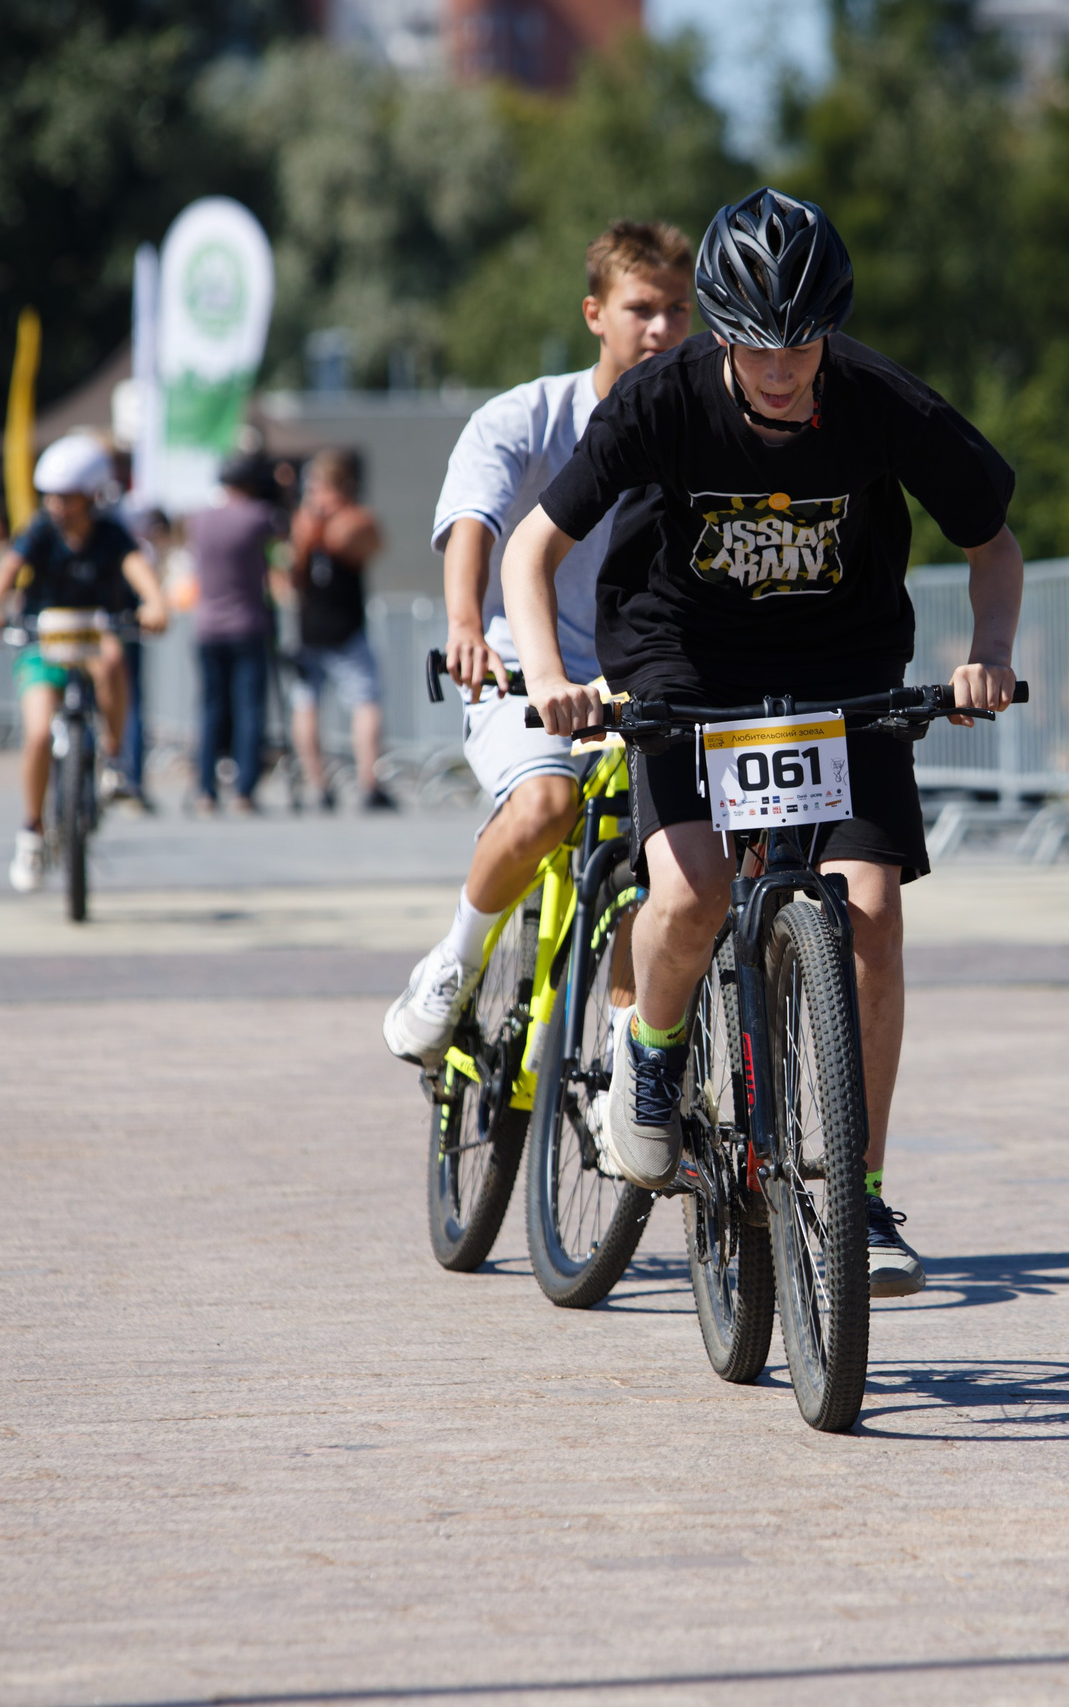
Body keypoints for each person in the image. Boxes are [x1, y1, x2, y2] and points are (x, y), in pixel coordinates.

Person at [505, 188, 1024, 1299]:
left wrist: (987, 649)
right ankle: (649, 1064)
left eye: (801, 343)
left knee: (871, 916)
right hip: (686, 660)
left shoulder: (884, 402)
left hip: (842, 670)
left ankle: (862, 1191)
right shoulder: (659, 400)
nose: (781, 369)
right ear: (721, 331)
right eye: (753, 345)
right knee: (688, 896)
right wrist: (551, 679)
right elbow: (532, 549)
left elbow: (992, 543)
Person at [383, 218, 695, 1066]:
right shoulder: (525, 416)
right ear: (595, 313)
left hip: (645, 680)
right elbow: (474, 522)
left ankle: (622, 1061)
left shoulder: (702, 427)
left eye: (678, 308)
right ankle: (456, 958)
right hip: (528, 667)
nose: (663, 328)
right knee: (548, 806)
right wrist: (461, 628)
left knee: (665, 858)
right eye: (642, 308)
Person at [0, 434, 169, 892]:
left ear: (92, 496)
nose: (58, 505)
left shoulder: (112, 533)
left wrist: (156, 602)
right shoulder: (40, 530)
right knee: (39, 732)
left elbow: (137, 567)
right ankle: (32, 830)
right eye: (53, 496)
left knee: (114, 659)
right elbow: (7, 569)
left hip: (94, 636)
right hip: (45, 639)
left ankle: (114, 760)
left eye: (68, 497)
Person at [283, 448, 393, 812]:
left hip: (314, 627)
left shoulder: (306, 520)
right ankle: (365, 781)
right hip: (339, 628)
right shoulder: (346, 518)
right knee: (363, 702)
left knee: (309, 704)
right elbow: (369, 542)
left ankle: (322, 784)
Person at [188, 454, 280, 815]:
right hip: (247, 623)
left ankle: (205, 790)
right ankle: (244, 790)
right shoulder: (257, 517)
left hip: (207, 626)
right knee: (249, 709)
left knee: (211, 709)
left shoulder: (200, 519)